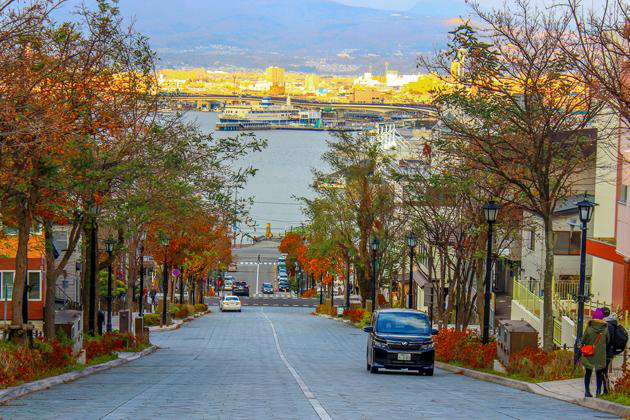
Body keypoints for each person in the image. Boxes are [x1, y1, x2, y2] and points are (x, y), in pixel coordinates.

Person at [582, 308, 609, 397]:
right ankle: (598, 392)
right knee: (599, 372)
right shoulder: (605, 328)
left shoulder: (589, 328)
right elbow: (608, 340)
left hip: (589, 353)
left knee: (588, 372)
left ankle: (587, 391)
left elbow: (583, 340)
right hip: (601, 354)